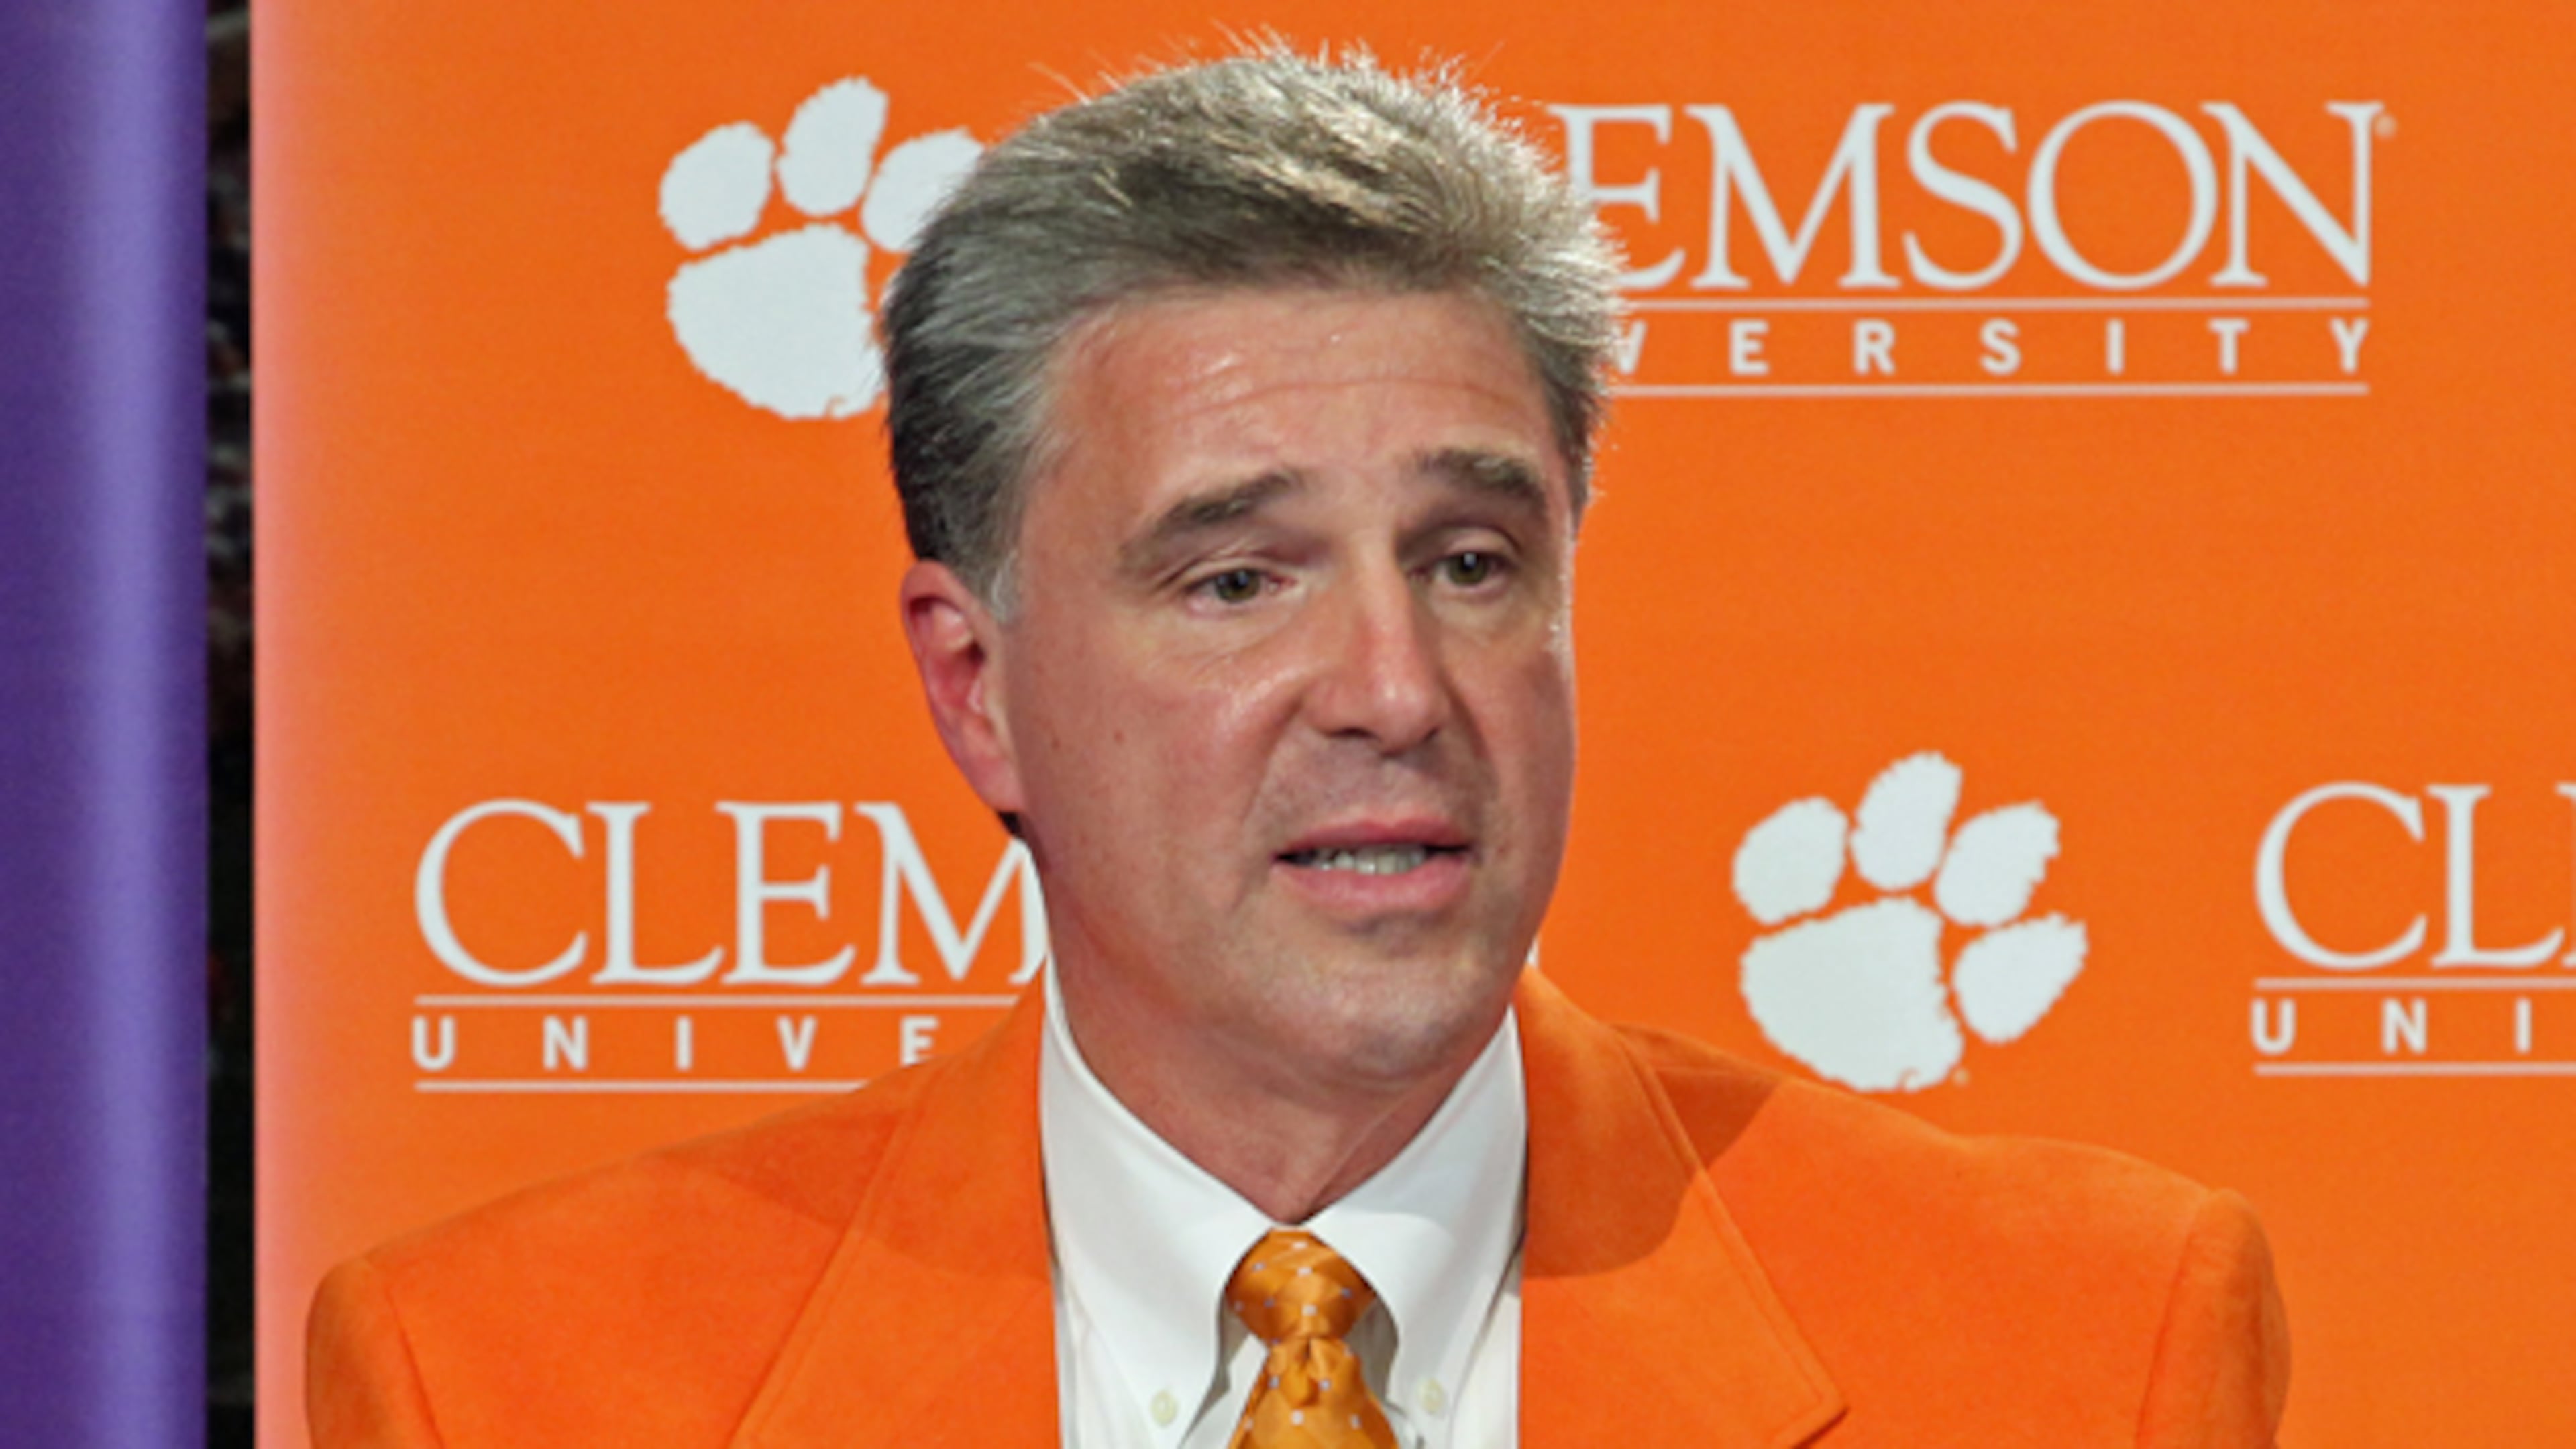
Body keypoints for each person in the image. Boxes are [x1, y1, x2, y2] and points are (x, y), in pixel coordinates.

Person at [309, 48, 2290, 1448]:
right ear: (976, 688)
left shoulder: (2089, 1344)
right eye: (1239, 580)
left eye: (1471, 561)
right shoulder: (503, 1381)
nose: (1395, 690)